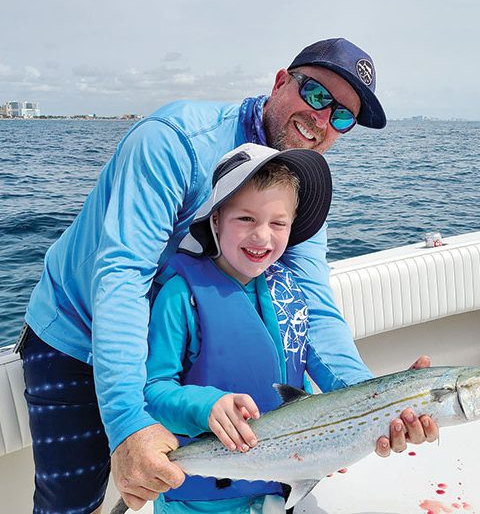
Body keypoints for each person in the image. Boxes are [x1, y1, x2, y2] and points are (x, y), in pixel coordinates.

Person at [19, 38, 439, 514]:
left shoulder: (300, 184)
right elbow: (122, 275)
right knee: (70, 504)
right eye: (318, 95)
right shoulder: (173, 140)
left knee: (179, 477)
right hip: (77, 334)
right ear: (281, 82)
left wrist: (373, 401)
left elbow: (311, 303)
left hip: (177, 347)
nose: (323, 120)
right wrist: (128, 422)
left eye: (342, 116)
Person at [146, 142, 337, 513]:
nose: (263, 236)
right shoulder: (180, 295)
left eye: (278, 223)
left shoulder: (288, 289)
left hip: (283, 486)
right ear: (215, 220)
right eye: (246, 219)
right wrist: (205, 405)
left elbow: (315, 368)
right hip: (200, 498)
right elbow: (154, 391)